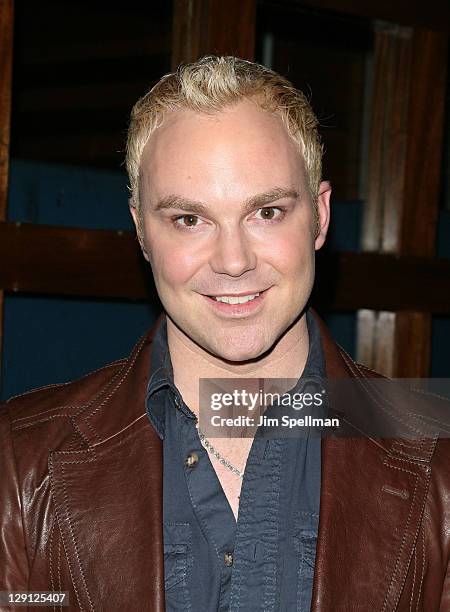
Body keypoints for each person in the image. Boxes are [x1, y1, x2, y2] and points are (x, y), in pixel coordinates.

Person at [1, 56, 449, 612]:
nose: (233, 261)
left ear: (320, 216)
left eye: (267, 211)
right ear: (142, 230)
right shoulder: (17, 463)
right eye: (190, 219)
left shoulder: (439, 460)